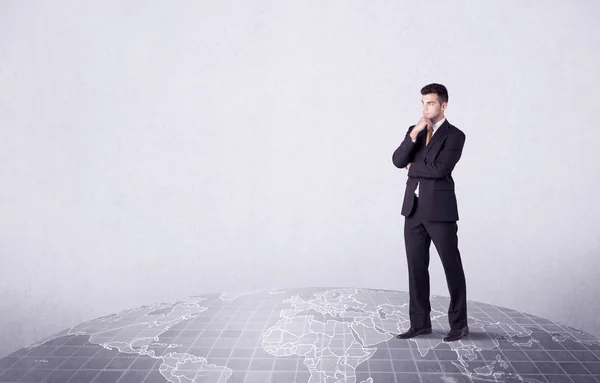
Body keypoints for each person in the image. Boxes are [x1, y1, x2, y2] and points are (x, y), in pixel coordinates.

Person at [392, 83, 469, 342]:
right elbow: (397, 160)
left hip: (440, 212)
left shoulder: (455, 136)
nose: (426, 108)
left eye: (431, 103)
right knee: (416, 268)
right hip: (413, 211)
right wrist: (414, 133)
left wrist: (414, 167)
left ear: (443, 105)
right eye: (423, 103)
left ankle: (459, 325)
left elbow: (439, 170)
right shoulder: (415, 131)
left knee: (452, 267)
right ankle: (420, 324)